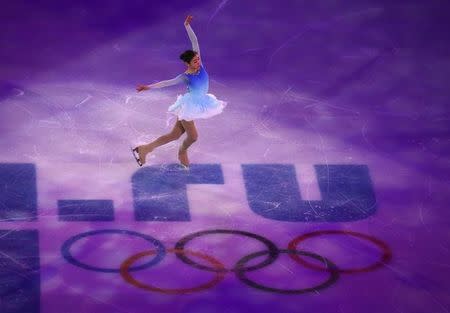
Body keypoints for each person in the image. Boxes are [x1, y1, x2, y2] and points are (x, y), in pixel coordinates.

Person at [132, 15, 226, 169]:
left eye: (198, 59)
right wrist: (148, 87)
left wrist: (187, 25)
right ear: (187, 63)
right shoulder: (185, 77)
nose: (198, 62)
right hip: (188, 106)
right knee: (193, 137)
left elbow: (194, 42)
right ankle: (182, 151)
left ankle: (143, 149)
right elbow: (166, 83)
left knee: (174, 135)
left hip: (201, 102)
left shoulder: (200, 67)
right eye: (195, 61)